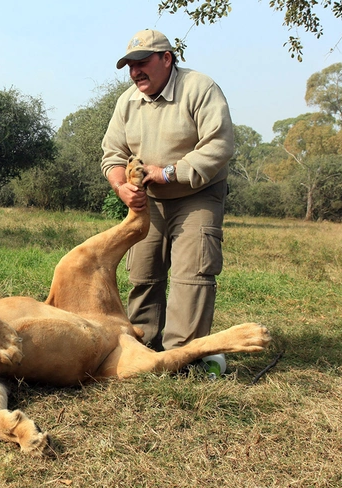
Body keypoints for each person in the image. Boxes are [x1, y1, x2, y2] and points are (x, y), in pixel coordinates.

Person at [101, 29, 234, 351]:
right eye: (130, 66)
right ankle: (143, 345)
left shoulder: (199, 88)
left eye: (142, 62)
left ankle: (183, 353)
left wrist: (170, 172)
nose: (135, 72)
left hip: (197, 194)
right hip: (150, 200)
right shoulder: (127, 102)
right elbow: (113, 154)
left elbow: (220, 144)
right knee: (143, 274)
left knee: (192, 275)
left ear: (166, 59)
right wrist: (121, 187)